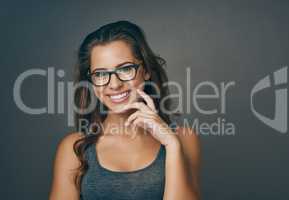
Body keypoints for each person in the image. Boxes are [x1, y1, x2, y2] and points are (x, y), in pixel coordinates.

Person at [49, 20, 201, 200]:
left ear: (145, 70)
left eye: (126, 69)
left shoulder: (183, 139)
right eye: (100, 74)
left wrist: (171, 144)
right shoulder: (75, 148)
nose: (114, 84)